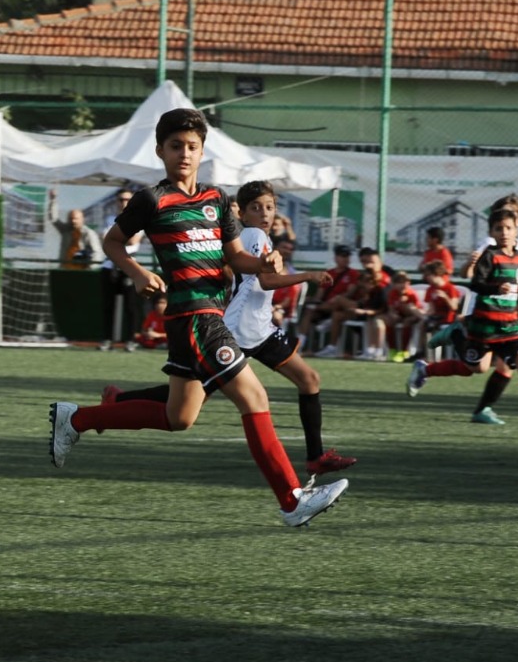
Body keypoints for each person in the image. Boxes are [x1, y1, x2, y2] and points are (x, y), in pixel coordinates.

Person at [47, 108, 349, 526]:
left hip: (207, 318)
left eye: (192, 147)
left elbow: (236, 257)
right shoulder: (152, 199)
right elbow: (114, 241)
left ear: (202, 151)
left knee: (180, 417)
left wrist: (263, 265)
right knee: (255, 397)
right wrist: (138, 273)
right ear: (160, 151)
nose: (184, 154)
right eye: (175, 147)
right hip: (194, 317)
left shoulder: (217, 200)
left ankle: (77, 418)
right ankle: (291, 499)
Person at [406, 204, 518, 429]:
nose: (504, 232)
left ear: (517, 228)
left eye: (508, 227)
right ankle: (446, 347)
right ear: (492, 231)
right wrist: (495, 288)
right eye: (499, 228)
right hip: (484, 324)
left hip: (510, 326)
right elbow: (475, 283)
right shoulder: (489, 254)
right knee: (476, 368)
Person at [99, 188, 144, 351]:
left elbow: (132, 241)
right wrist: (118, 239)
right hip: (110, 265)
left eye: (127, 200)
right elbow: (105, 240)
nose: (123, 203)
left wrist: (117, 238)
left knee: (131, 306)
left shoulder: (139, 219)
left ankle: (130, 340)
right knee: (107, 305)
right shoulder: (110, 219)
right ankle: (106, 339)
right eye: (121, 200)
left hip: (129, 265)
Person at [48, 189, 103, 271]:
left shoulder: (89, 233)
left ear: (82, 219)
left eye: (76, 219)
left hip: (82, 270)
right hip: (65, 268)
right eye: (70, 219)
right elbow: (53, 219)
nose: (73, 221)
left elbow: (97, 252)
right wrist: (53, 200)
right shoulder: (65, 230)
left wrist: (90, 268)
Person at [381, 269, 424, 361]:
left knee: (407, 322)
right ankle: (392, 350)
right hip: (399, 315)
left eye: (404, 282)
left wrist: (404, 306)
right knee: (389, 321)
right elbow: (391, 308)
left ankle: (404, 351)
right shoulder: (393, 293)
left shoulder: (411, 294)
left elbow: (415, 311)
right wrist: (393, 314)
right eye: (399, 283)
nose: (402, 285)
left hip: (411, 316)